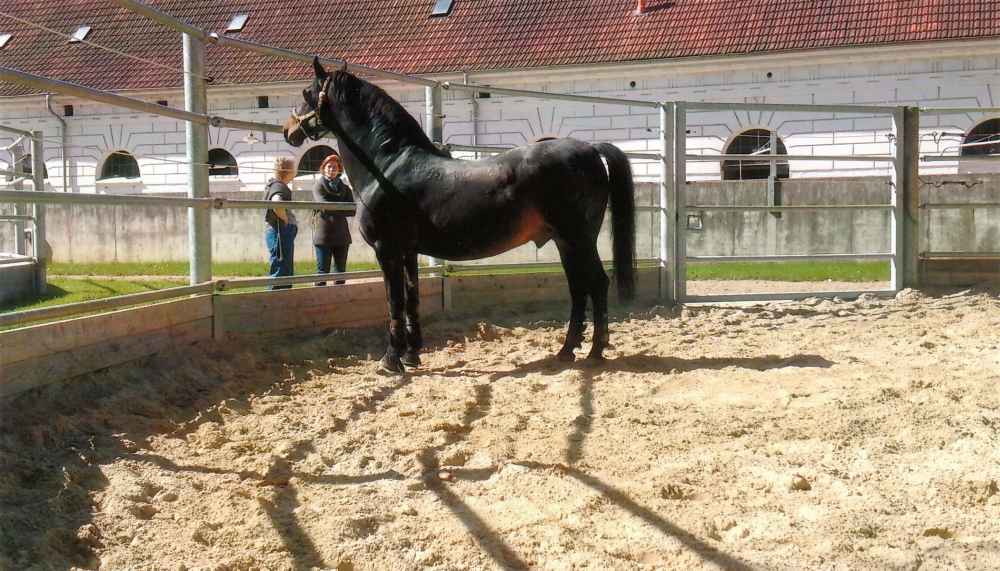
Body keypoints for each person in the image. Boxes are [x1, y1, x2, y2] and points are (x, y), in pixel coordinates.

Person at [312, 153, 354, 285]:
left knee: (340, 274)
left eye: (335, 167)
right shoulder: (318, 186)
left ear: (339, 169)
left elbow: (352, 210)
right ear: (323, 168)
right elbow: (324, 206)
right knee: (322, 274)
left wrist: (334, 206)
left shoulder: (345, 188)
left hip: (342, 236)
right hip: (323, 236)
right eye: (329, 166)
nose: (331, 169)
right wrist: (341, 206)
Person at [264, 157, 298, 290]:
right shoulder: (279, 186)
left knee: (284, 269)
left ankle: (284, 301)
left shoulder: (276, 185)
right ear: (288, 171)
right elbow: (277, 203)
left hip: (280, 231)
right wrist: (285, 219)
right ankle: (274, 303)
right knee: (281, 270)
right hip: (280, 231)